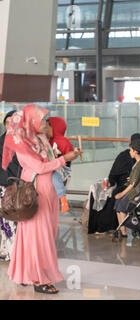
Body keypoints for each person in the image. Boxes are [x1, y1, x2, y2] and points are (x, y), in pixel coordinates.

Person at [2, 104, 80, 294]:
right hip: (36, 193)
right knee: (38, 237)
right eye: (42, 120)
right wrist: (64, 159)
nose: (46, 123)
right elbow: (39, 167)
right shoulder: (23, 144)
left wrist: (67, 157)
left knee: (44, 234)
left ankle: (28, 273)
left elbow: (50, 163)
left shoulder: (41, 139)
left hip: (49, 192)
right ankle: (38, 279)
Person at [114, 139, 140, 237]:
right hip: (139, 188)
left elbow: (132, 185)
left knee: (121, 206)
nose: (129, 152)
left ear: (135, 151)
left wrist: (121, 194)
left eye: (131, 150)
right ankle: (121, 229)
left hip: (138, 192)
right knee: (118, 203)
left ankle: (124, 232)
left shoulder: (139, 165)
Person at [0, 110, 21, 262]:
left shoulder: (22, 142)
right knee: (6, 222)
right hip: (4, 185)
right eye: (7, 123)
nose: (9, 126)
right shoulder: (2, 141)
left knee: (14, 221)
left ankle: (12, 252)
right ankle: (7, 252)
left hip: (17, 186)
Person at [46, 117, 74, 213]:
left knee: (54, 175)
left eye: (47, 127)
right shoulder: (48, 140)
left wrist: (56, 157)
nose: (46, 130)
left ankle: (63, 198)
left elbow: (68, 160)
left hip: (62, 170)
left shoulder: (64, 142)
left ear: (55, 128)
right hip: (54, 167)